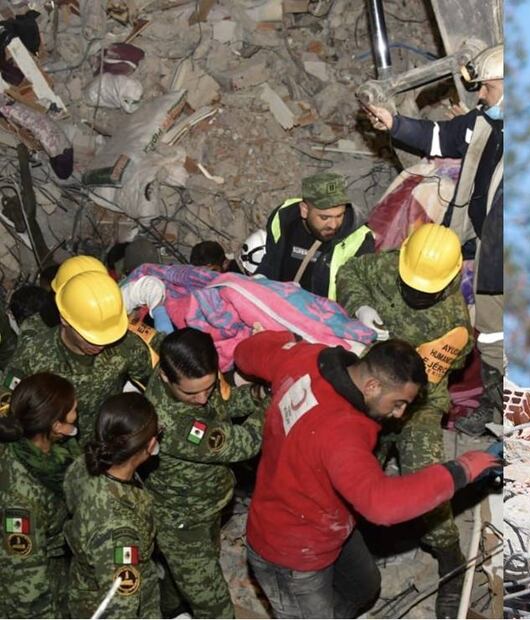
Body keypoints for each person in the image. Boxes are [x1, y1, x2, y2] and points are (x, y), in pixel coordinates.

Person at [234, 335, 498, 619]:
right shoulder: (342, 434)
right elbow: (382, 504)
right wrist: (462, 469)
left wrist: (287, 342)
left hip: (327, 521)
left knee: (363, 587)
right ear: (371, 386)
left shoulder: (307, 357)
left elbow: (245, 352)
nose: (400, 413)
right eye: (398, 403)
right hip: (292, 553)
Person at [364, 44, 504, 437]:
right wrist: (395, 124)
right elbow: (441, 137)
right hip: (482, 244)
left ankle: (508, 415)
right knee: (491, 340)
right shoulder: (484, 123)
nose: (480, 97)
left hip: (502, 261)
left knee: (496, 339)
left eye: (487, 90)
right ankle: (497, 409)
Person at [337, 223, 473, 617]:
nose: (414, 294)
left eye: (424, 291)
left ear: (448, 284)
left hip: (418, 405)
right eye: (409, 284)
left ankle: (451, 562)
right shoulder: (389, 264)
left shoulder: (454, 323)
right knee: (352, 477)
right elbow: (351, 274)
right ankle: (349, 550)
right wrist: (359, 306)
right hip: (368, 393)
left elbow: (428, 380)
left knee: (425, 483)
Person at [144, 328, 266, 618]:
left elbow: (222, 405)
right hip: (182, 524)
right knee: (215, 607)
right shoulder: (170, 422)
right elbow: (244, 443)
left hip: (207, 505)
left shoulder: (191, 374)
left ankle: (171, 610)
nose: (201, 399)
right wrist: (274, 402)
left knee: (182, 582)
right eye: (191, 392)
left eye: (208, 387)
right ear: (164, 376)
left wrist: (257, 393)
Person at [4, 270, 160, 443]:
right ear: (64, 319)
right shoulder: (32, 356)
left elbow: (155, 387)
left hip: (107, 445)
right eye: (91, 336)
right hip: (61, 452)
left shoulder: (126, 345)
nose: (100, 344)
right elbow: (9, 413)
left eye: (106, 336)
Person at [64, 392, 161, 618]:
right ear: (150, 444)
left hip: (84, 584)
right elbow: (121, 609)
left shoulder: (84, 464)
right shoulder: (119, 532)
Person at [0, 373, 78, 617]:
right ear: (56, 426)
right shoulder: (21, 500)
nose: (78, 414)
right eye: (74, 410)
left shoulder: (41, 446)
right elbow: (24, 580)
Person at [257, 172, 375, 299]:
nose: (333, 225)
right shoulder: (283, 219)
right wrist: (261, 278)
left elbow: (359, 290)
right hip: (278, 305)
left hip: (327, 315)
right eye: (324, 217)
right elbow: (271, 260)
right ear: (305, 210)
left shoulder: (360, 239)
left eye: (339, 215)